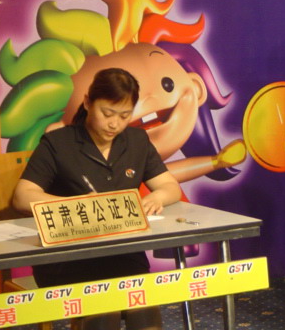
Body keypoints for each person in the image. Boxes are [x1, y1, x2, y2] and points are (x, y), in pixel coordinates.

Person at [13, 67, 182, 330]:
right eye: (107, 113)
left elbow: (169, 186)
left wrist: (157, 197)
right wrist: (76, 206)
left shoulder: (136, 141)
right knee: (105, 308)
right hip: (68, 259)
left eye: (124, 116)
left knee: (144, 305)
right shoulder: (58, 143)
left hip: (123, 255)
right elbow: (23, 196)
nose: (115, 124)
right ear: (87, 102)